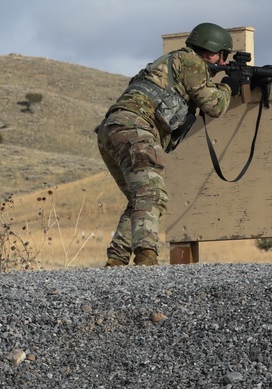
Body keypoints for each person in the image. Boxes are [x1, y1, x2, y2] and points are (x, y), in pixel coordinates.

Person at [96, 22, 237, 267]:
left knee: (140, 199)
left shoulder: (170, 61)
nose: (223, 63)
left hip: (111, 129)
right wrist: (230, 86)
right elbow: (215, 105)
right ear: (212, 52)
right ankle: (146, 260)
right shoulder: (192, 63)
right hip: (135, 128)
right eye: (223, 57)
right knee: (152, 195)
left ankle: (116, 261)